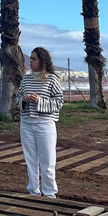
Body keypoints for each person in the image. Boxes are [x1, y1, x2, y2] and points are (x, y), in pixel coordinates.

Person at [16, 47, 64, 197]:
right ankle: (33, 191)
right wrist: (23, 101)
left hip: (45, 124)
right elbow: (17, 98)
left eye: (34, 59)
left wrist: (40, 101)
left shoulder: (51, 79)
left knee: (48, 160)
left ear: (42, 61)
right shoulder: (26, 79)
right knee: (30, 160)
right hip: (27, 123)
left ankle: (50, 193)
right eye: (30, 58)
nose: (30, 61)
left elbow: (59, 101)